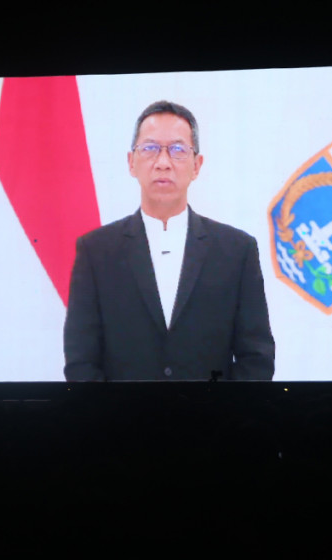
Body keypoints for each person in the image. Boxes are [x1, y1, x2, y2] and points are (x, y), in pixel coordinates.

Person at [63, 100, 275, 381]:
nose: (163, 163)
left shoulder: (237, 250)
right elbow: (81, 363)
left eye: (177, 150)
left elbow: (257, 360)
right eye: (150, 148)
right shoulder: (96, 251)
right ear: (131, 162)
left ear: (197, 165)